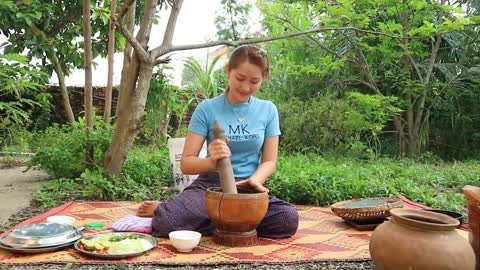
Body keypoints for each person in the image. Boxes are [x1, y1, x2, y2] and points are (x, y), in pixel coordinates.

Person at [137, 45, 299, 238]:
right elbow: (187, 163)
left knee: (287, 219)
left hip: (248, 186)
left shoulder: (268, 110)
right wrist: (212, 161)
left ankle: (216, 221)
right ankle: (233, 222)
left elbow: (269, 161)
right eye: (240, 78)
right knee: (169, 222)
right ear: (228, 70)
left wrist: (255, 181)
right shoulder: (207, 109)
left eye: (254, 81)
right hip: (210, 186)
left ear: (263, 79)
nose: (246, 87)